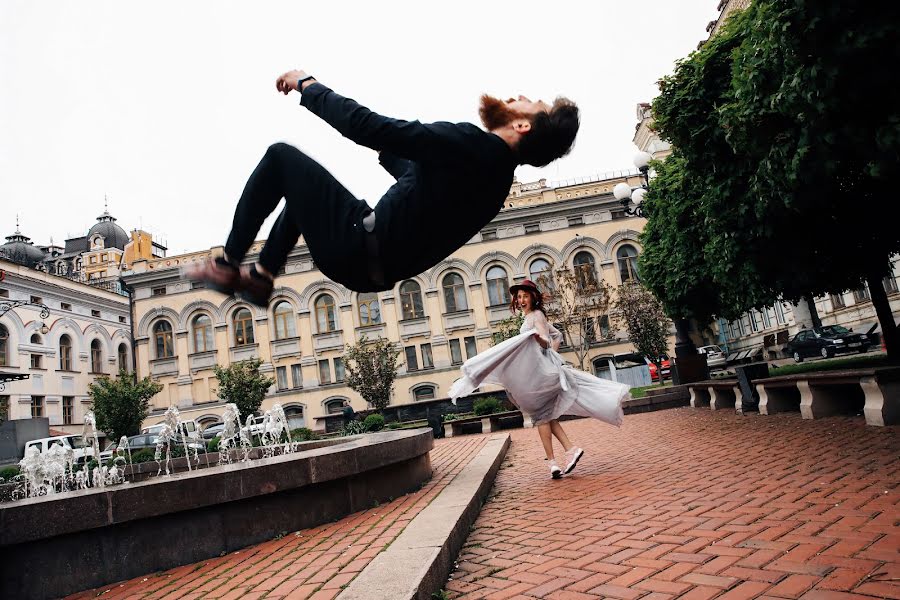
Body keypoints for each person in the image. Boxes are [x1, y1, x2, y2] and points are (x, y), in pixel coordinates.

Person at [186, 69, 580, 305]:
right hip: (370, 269)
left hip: (359, 244)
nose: (521, 97)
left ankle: (227, 265)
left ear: (523, 125)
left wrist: (308, 85)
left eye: (531, 103)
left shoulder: (472, 144)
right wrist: (388, 146)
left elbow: (369, 125)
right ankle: (261, 279)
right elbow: (417, 184)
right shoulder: (495, 182)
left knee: (280, 158)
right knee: (302, 200)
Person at [449, 279, 629, 479]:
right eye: (519, 297)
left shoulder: (537, 315)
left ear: (533, 298)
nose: (521, 300)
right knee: (545, 416)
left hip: (540, 375)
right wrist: (550, 354)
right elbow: (558, 334)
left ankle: (553, 463)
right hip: (536, 372)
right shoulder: (530, 317)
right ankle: (570, 450)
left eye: (525, 296)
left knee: (541, 416)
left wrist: (542, 346)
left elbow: (545, 340)